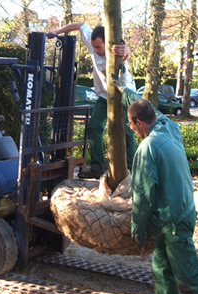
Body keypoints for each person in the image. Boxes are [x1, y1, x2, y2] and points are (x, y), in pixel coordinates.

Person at [119, 76, 198, 294]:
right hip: (179, 212)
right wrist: (124, 90)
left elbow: (142, 194)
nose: (131, 129)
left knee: (189, 277)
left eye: (131, 125)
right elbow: (148, 107)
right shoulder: (169, 126)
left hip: (173, 222)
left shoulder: (146, 148)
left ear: (138, 122)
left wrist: (137, 227)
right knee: (162, 270)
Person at [50, 22, 137, 179]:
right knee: (93, 128)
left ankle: (132, 171)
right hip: (105, 95)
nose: (95, 51)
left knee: (127, 133)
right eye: (94, 47)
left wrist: (127, 53)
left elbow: (125, 54)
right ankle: (97, 168)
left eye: (99, 47)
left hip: (123, 94)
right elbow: (80, 24)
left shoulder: (117, 54)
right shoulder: (93, 41)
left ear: (107, 43)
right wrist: (57, 31)